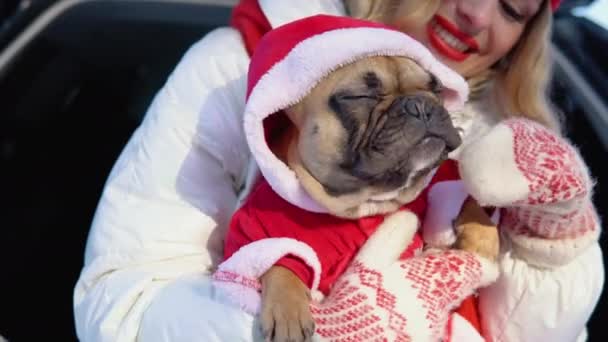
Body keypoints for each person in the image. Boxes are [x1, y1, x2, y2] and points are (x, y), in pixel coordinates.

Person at [73, 1, 604, 341]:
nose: (477, 13)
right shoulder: (238, 71)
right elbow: (123, 308)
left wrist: (555, 237)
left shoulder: (515, 146)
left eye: (512, 8)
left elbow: (544, 332)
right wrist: (321, 332)